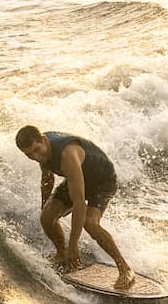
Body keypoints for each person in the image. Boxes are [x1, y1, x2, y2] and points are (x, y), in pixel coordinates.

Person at [15, 123, 133, 292]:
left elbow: (79, 204)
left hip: (102, 181)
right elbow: (47, 177)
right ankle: (62, 255)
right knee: (46, 217)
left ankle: (124, 268)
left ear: (43, 140)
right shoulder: (42, 152)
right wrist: (45, 207)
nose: (35, 156)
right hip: (77, 179)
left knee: (89, 223)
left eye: (36, 150)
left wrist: (74, 245)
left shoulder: (67, 154)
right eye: (29, 154)